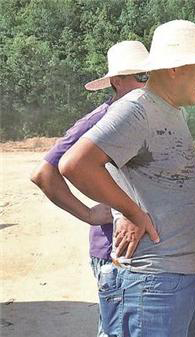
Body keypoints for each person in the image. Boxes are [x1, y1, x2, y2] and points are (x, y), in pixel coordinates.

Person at [59, 20, 195, 337]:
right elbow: (75, 164)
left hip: (178, 278)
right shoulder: (137, 109)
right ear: (174, 68)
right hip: (154, 284)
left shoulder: (170, 110)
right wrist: (131, 210)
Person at [30, 40, 149, 337]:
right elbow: (44, 173)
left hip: (142, 253)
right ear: (117, 82)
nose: (148, 85)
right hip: (114, 252)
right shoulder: (100, 120)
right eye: (141, 77)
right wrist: (88, 214)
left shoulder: (143, 118)